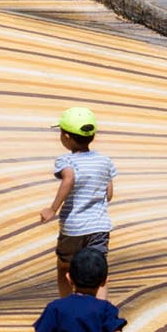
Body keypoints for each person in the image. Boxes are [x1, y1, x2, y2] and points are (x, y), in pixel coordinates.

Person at [37, 106, 115, 298]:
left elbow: (69, 179)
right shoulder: (104, 161)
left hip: (73, 227)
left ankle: (66, 305)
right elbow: (109, 193)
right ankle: (100, 311)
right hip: (99, 226)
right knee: (99, 270)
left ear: (66, 137)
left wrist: (52, 209)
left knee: (64, 267)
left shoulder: (66, 161)